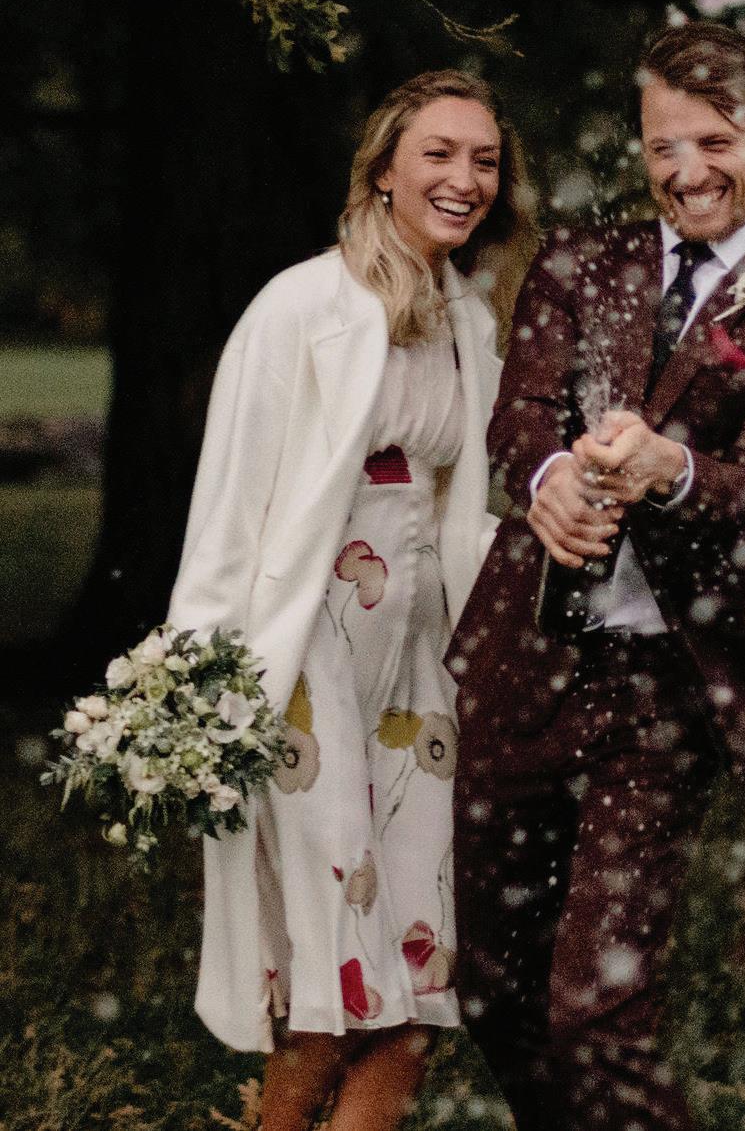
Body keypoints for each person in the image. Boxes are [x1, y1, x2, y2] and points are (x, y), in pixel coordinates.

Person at [450, 20, 745, 1131]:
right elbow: (519, 416)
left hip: (665, 688)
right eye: (662, 147)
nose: (687, 172)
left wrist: (667, 468)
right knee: (492, 989)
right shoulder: (579, 264)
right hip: (525, 660)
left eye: (714, 142)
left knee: (598, 1015)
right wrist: (546, 477)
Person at [165, 70, 536, 1131]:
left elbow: (470, 504)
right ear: (383, 171)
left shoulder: (469, 319)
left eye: (484, 160)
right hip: (308, 658)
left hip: (418, 657)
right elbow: (230, 503)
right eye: (439, 154)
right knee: (334, 983)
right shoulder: (302, 308)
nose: (465, 178)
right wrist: (194, 675)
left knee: (418, 983)